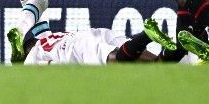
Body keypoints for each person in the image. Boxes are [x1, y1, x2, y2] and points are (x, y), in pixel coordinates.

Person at [23, 18, 176, 65]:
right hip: (93, 33)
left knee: (117, 61)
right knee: (138, 55)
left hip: (76, 48)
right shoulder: (50, 38)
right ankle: (165, 57)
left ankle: (146, 35)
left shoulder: (34, 52)